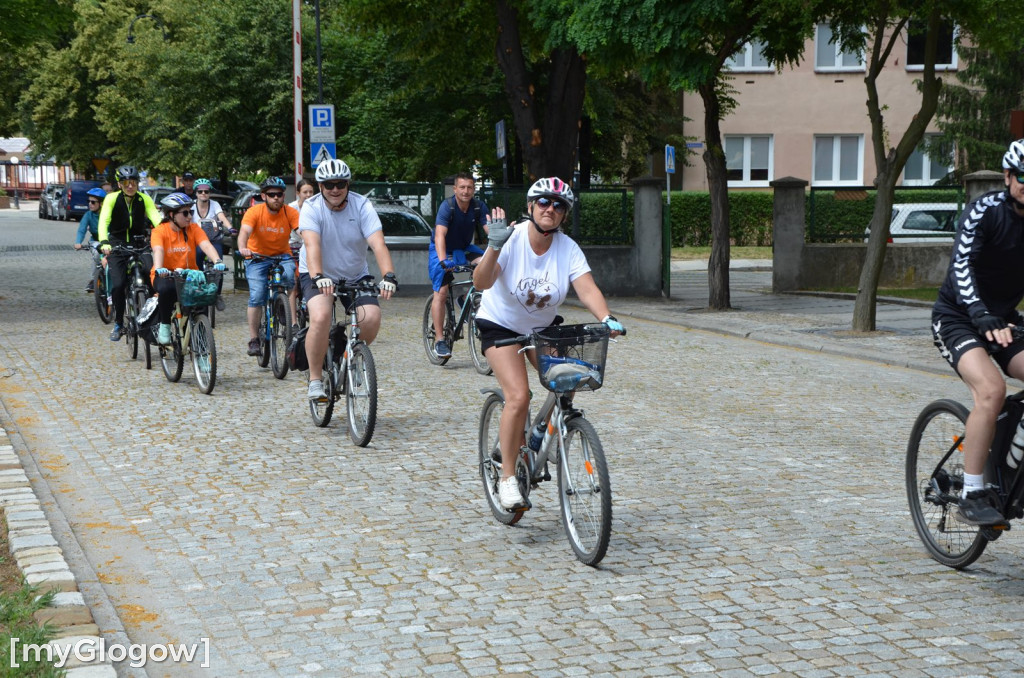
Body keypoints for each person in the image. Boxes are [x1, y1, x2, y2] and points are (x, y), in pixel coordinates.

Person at [473, 177, 625, 511]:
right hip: (500, 327)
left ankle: (542, 432)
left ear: (565, 215)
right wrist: (494, 246)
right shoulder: (511, 240)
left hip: (541, 329)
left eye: (559, 205)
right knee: (519, 396)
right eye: (543, 202)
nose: (550, 209)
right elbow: (482, 282)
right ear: (530, 207)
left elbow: (586, 287)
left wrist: (605, 318)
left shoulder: (567, 248)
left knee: (571, 377)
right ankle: (509, 478)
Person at [931, 138, 1024, 528]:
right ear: (1008, 177)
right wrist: (980, 313)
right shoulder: (985, 210)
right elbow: (962, 265)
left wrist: (998, 318)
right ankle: (972, 490)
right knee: (991, 389)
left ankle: (1005, 458)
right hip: (958, 317)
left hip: (1004, 319)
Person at [298, 159, 397, 401]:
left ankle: (349, 357)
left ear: (348, 184)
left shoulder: (362, 205)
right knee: (320, 316)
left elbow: (378, 243)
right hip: (316, 272)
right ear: (320, 186)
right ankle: (315, 380)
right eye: (329, 184)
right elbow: (312, 245)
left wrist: (389, 275)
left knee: (371, 318)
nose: (335, 189)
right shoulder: (311, 207)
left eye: (340, 184)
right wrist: (319, 276)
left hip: (355, 273)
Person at [150, 193, 226, 345]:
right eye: (185, 213)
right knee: (166, 290)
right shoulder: (159, 231)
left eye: (191, 212)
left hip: (190, 275)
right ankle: (165, 325)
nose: (190, 216)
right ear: (171, 215)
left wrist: (217, 260)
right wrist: (159, 269)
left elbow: (206, 245)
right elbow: (158, 250)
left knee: (203, 296)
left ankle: (202, 342)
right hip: (166, 275)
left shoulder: (193, 228)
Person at [98, 164, 163, 341]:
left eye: (133, 182)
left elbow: (156, 220)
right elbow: (104, 221)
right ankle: (119, 323)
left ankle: (155, 319)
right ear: (119, 184)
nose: (130, 186)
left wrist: (167, 234)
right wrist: (104, 241)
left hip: (139, 243)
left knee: (153, 278)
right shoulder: (112, 199)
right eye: (126, 182)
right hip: (117, 245)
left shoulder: (144, 199)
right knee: (118, 285)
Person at [237, 176, 300, 356]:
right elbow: (245, 232)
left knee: (290, 279)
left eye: (279, 195)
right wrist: (243, 247)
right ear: (264, 196)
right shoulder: (254, 212)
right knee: (257, 296)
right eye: (271, 195)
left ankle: (281, 306)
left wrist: (311, 242)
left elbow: (301, 231)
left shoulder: (290, 213)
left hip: (282, 256)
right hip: (257, 256)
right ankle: (254, 339)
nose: (276, 198)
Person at [429, 172, 489, 357]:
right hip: (443, 250)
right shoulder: (448, 207)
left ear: (474, 189)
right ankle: (439, 340)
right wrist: (442, 260)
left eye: (469, 187)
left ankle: (465, 298)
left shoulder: (479, 206)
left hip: (464, 248)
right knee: (442, 291)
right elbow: (440, 235)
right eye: (462, 187)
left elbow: (489, 230)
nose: (466, 191)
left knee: (487, 267)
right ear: (455, 189)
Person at [191, 178, 233, 310]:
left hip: (213, 239)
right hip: (198, 241)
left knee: (219, 264)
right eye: (200, 191)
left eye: (206, 191)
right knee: (196, 259)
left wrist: (230, 227)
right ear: (196, 193)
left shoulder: (215, 205)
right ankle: (198, 288)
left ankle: (217, 294)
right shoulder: (191, 207)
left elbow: (221, 217)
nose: (203, 194)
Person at [288, 179, 317, 329]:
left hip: (309, 246)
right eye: (305, 192)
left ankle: (313, 316)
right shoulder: (291, 209)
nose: (308, 195)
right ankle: (292, 322)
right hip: (293, 245)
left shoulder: (317, 206)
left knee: (313, 280)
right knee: (292, 283)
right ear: (298, 193)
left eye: (311, 192)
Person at [73, 187, 107, 292]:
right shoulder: (88, 215)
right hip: (96, 241)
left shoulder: (107, 215)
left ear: (101, 203)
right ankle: (94, 280)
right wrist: (78, 242)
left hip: (109, 241)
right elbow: (81, 230)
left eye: (93, 202)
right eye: (89, 201)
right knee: (97, 254)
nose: (90, 204)